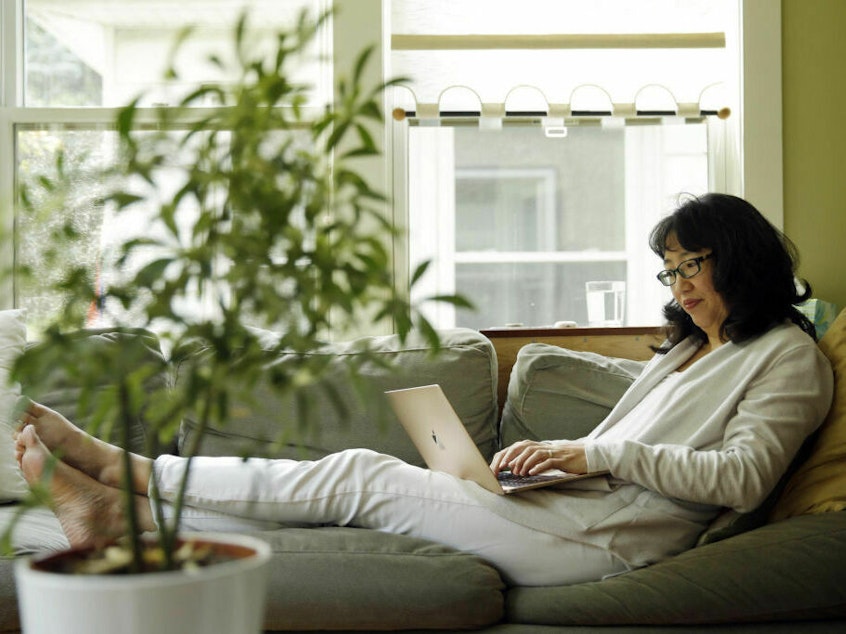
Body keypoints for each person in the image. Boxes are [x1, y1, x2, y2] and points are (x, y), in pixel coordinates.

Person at [15, 193, 834, 587]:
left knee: (362, 474)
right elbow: (629, 455)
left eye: (695, 263)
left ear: (743, 256)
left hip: (609, 545)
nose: (681, 283)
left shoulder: (787, 357)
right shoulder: (688, 350)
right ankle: (131, 516)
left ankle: (132, 473)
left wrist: (588, 450)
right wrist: (541, 468)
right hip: (566, 511)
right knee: (365, 485)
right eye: (671, 268)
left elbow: (743, 477)